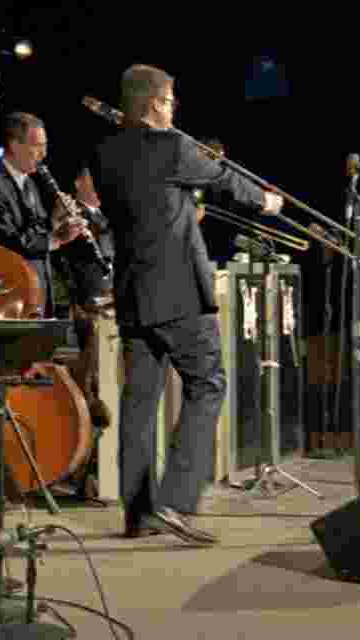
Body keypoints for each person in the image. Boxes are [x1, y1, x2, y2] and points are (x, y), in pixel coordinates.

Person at [84, 64, 283, 544]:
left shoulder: (104, 153)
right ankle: (175, 499)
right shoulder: (172, 148)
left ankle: (139, 514)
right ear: (154, 103)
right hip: (177, 295)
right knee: (208, 382)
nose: (174, 109)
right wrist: (268, 203)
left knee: (139, 401)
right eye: (170, 101)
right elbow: (225, 179)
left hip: (134, 293)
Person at [0, 112, 88, 318]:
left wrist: (56, 221)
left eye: (44, 145)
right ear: (15, 145)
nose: (43, 153)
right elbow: (7, 241)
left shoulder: (29, 183)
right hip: (13, 295)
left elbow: (36, 232)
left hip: (37, 288)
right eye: (37, 145)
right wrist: (56, 238)